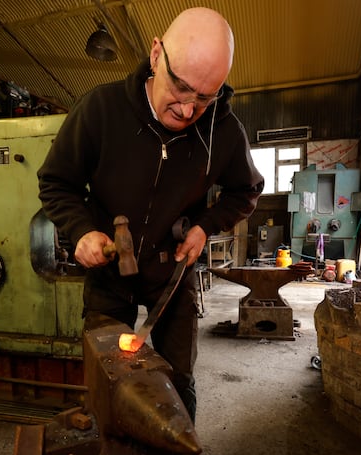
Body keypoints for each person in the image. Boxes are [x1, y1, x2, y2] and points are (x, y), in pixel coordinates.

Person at [38, 7, 264, 420]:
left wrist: (204, 227)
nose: (187, 109)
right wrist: (82, 230)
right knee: (105, 377)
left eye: (204, 97)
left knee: (178, 381)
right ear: (157, 54)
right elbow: (56, 183)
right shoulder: (100, 110)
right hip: (109, 278)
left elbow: (246, 190)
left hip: (172, 275)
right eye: (180, 87)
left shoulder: (223, 130)